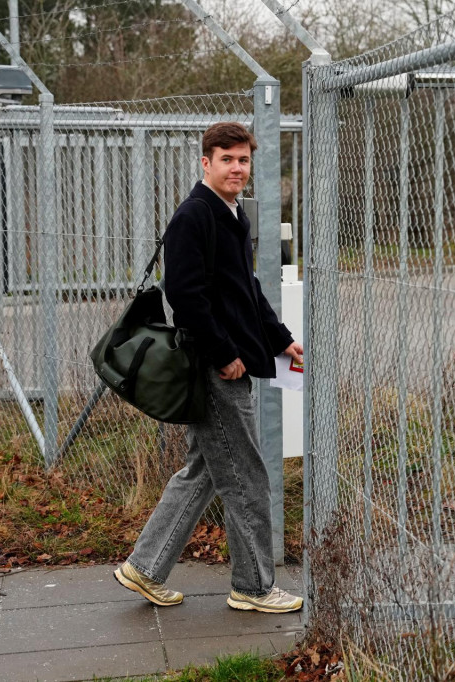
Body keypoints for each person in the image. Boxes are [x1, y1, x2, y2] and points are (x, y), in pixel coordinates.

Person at [114, 122, 304, 614]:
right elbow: (185, 295)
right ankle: (255, 587)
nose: (237, 168)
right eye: (227, 159)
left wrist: (281, 341)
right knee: (246, 476)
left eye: (243, 160)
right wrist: (224, 354)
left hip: (229, 363)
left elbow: (246, 292)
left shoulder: (231, 212)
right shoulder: (195, 215)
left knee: (204, 470)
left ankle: (145, 567)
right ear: (206, 163)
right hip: (217, 369)